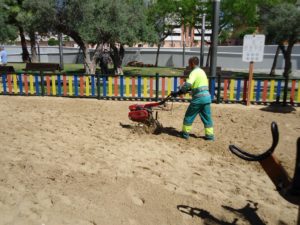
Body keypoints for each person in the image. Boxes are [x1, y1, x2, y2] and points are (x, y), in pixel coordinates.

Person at [171, 56, 214, 141]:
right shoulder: (202, 72)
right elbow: (198, 85)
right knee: (207, 117)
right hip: (207, 97)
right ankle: (210, 136)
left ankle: (185, 134)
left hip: (198, 99)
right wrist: (189, 90)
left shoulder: (194, 72)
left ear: (192, 63)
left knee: (189, 116)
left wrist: (179, 92)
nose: (189, 65)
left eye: (189, 63)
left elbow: (187, 84)